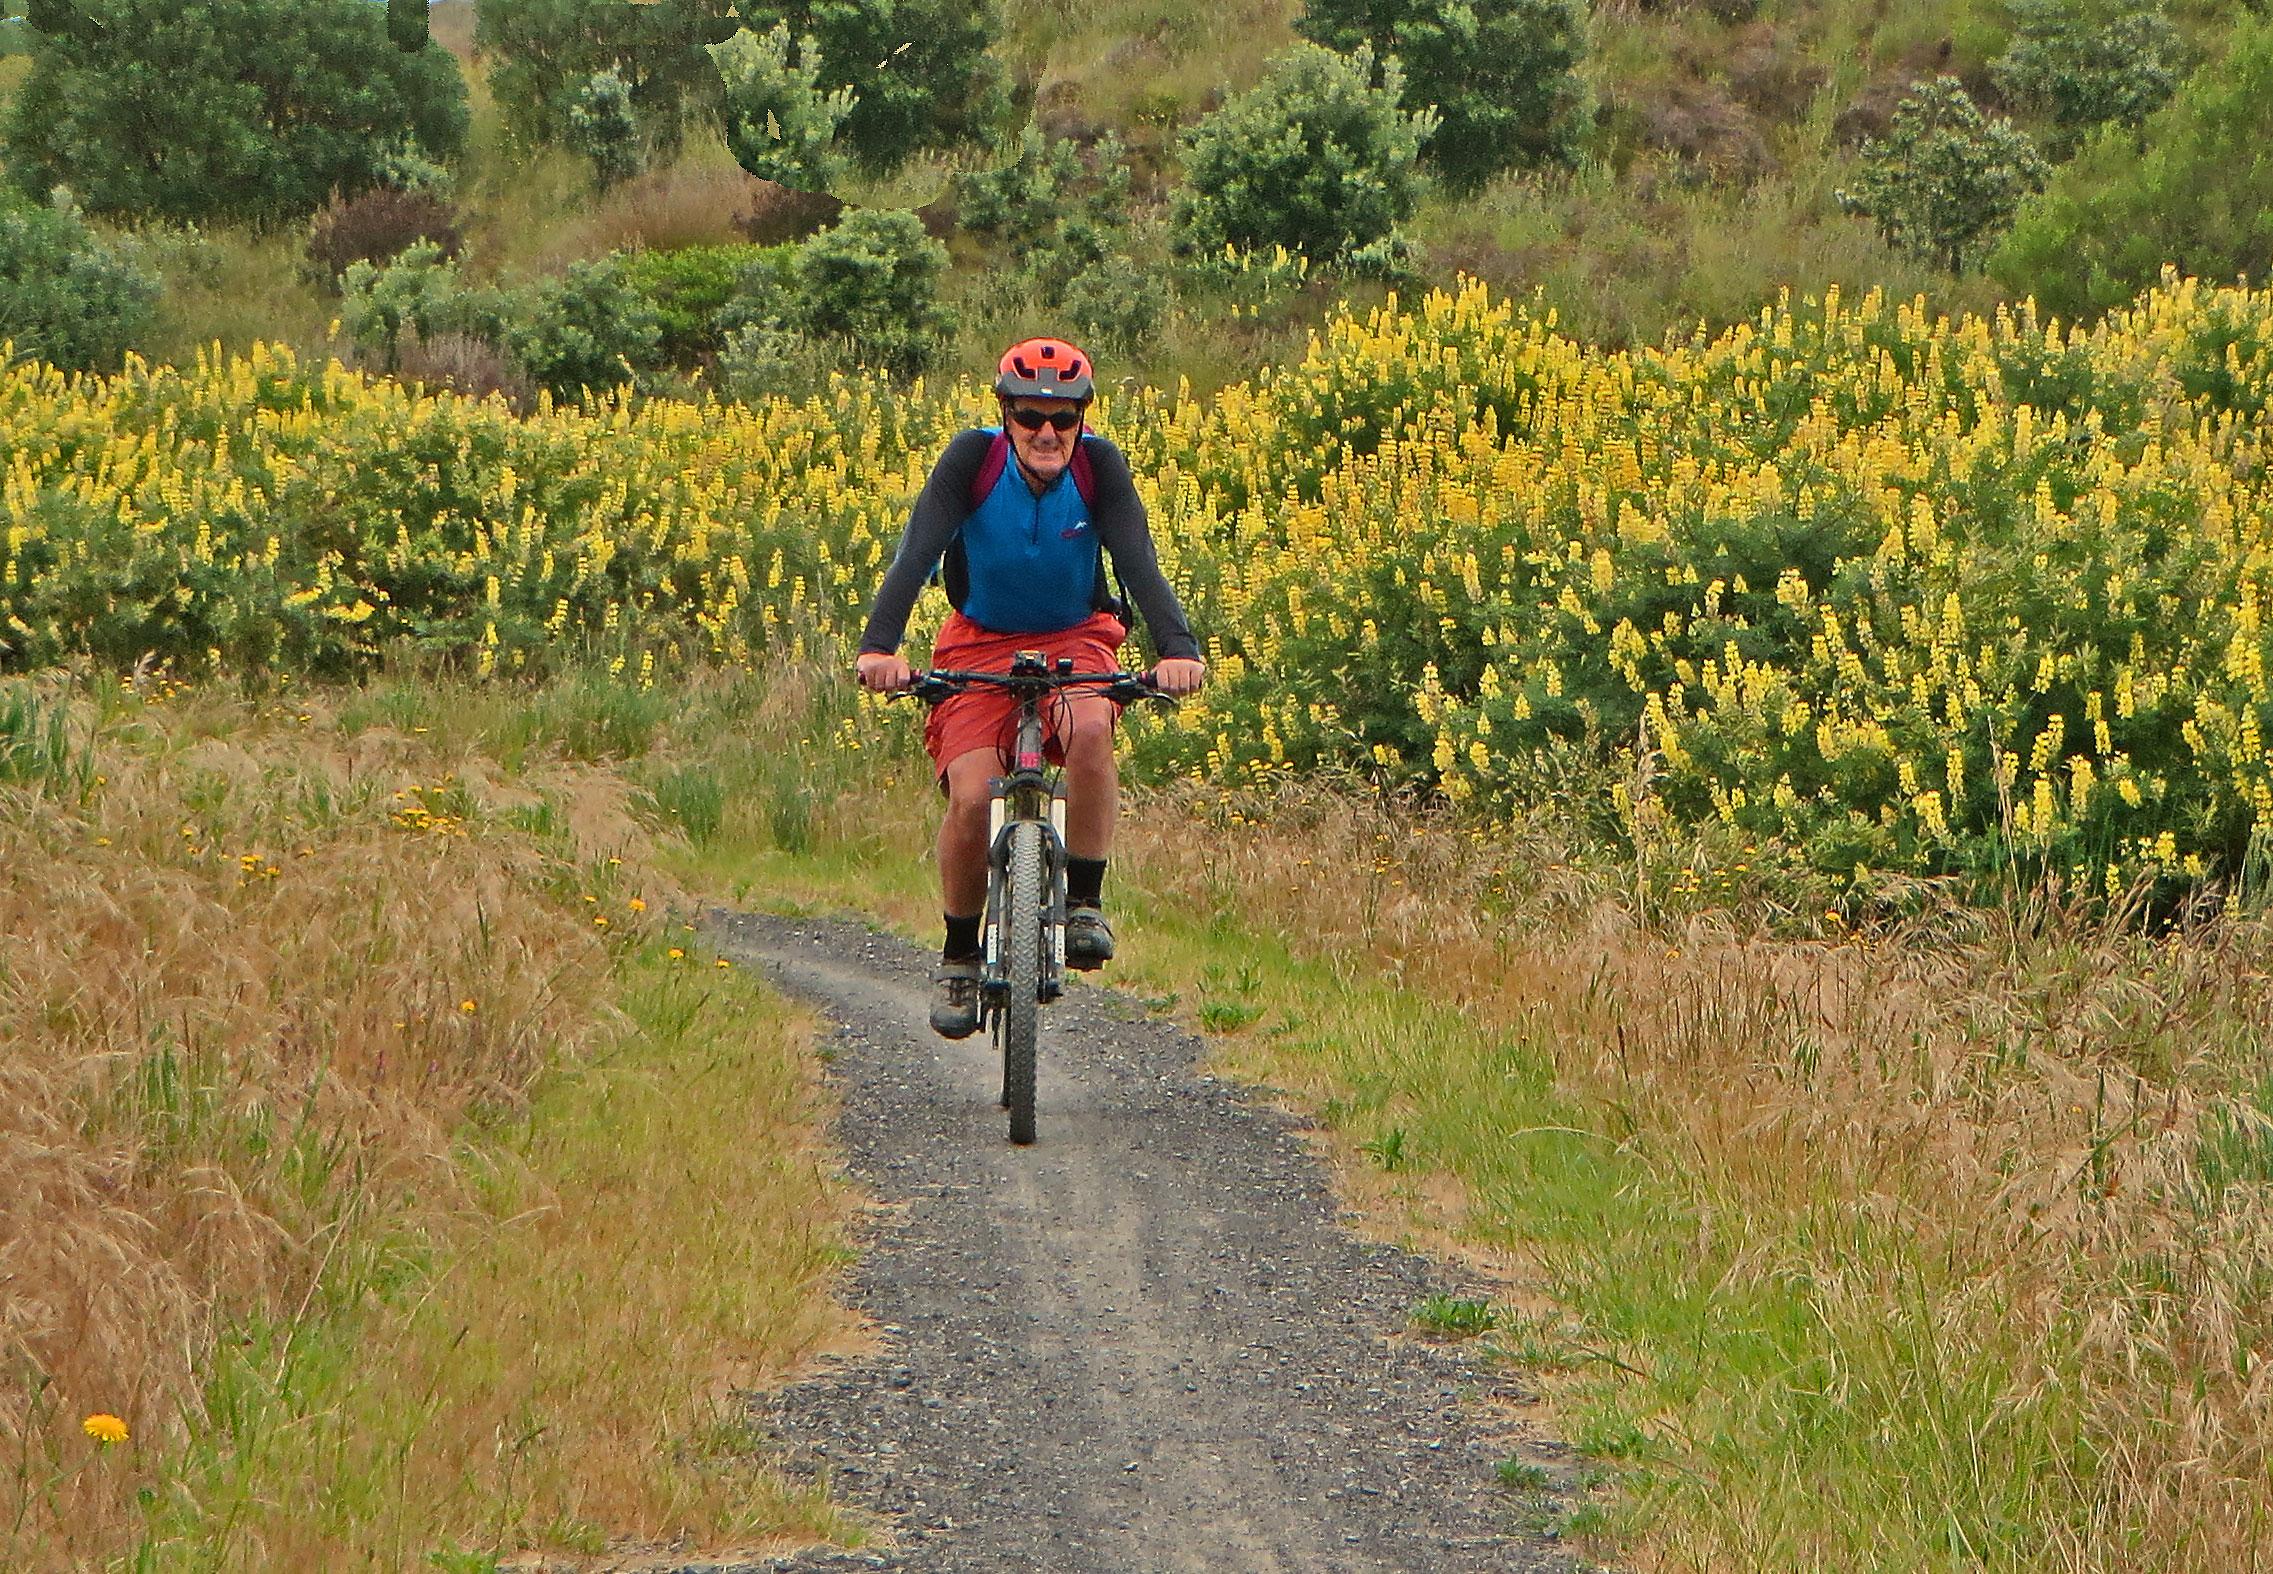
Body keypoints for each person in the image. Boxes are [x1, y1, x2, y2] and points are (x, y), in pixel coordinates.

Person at [855, 337, 1207, 1039]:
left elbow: (1137, 561)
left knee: (1089, 729)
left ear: (1083, 421)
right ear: (1004, 416)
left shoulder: (1100, 469)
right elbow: (916, 551)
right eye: (1028, 418)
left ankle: (1083, 903)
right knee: (970, 795)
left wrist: (1177, 650)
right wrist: (878, 648)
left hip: (1077, 636)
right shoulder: (970, 462)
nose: (1047, 433)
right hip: (978, 641)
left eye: (1064, 420)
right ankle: (958, 958)